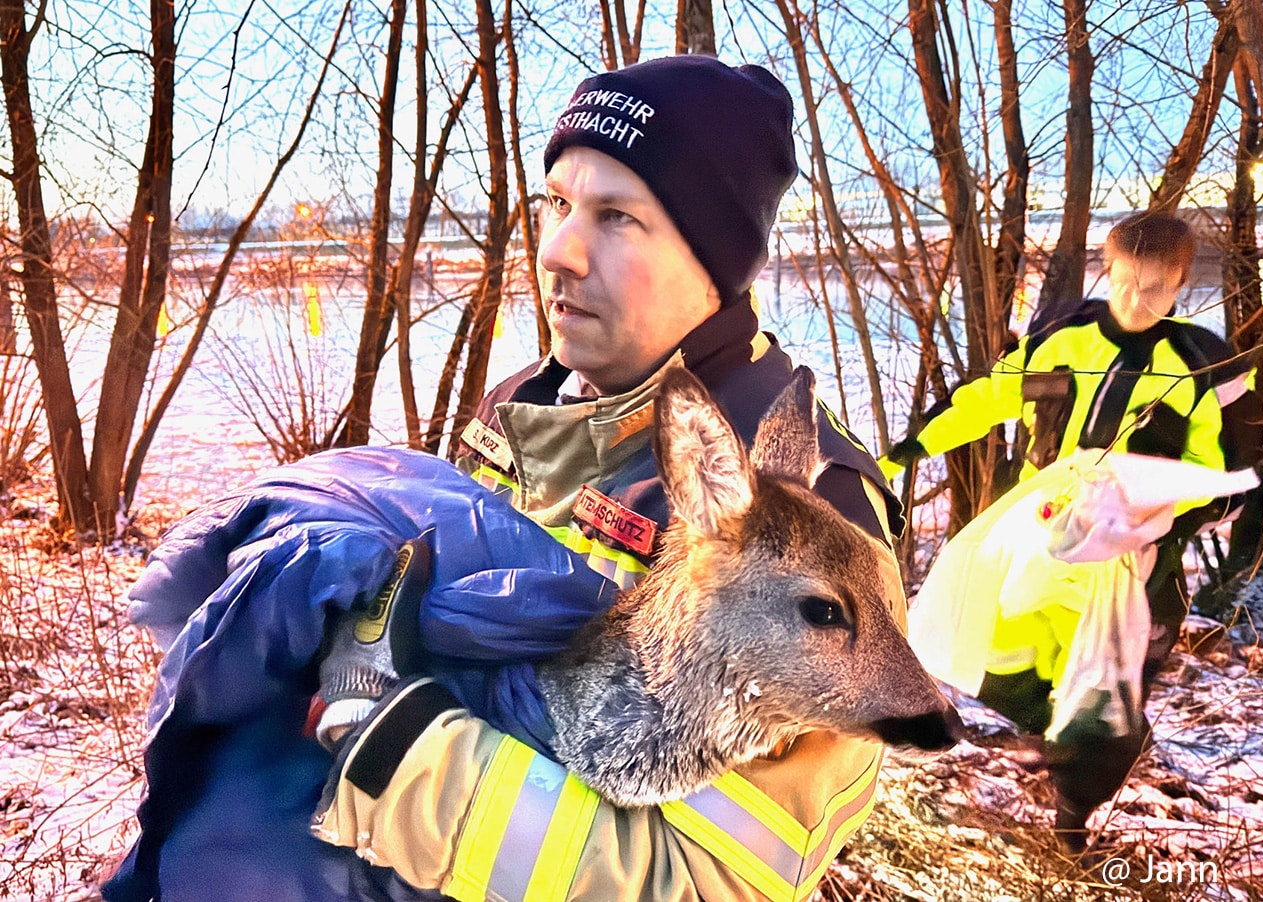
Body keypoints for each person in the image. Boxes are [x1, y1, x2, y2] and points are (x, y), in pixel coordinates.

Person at [105, 55, 911, 901]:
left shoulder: (815, 515)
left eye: (617, 216)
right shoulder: (525, 404)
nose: (558, 251)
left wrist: (391, 743)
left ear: (716, 259)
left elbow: (704, 884)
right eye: (558, 204)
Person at [880, 211, 1262, 853]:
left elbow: (1224, 473)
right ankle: (1046, 749)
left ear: (1179, 288)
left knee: (1109, 685)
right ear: (1105, 271)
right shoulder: (1065, 338)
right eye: (1124, 282)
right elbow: (986, 400)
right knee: (1005, 636)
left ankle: (1076, 814)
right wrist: (907, 448)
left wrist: (1163, 517)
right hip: (1044, 531)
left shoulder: (1201, 366)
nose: (1136, 302)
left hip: (1137, 552)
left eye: (1154, 289)